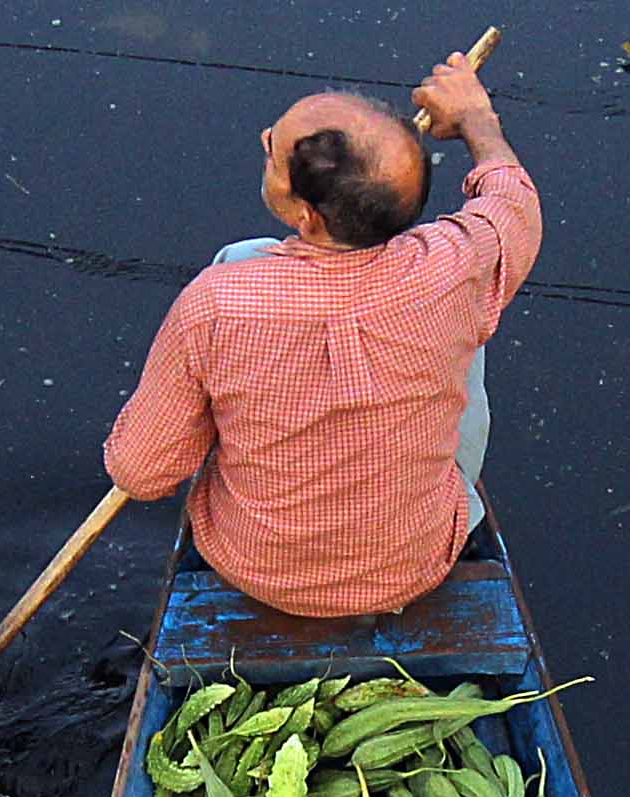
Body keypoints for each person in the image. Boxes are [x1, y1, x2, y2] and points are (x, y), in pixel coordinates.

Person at [104, 34, 533, 619]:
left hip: (253, 567)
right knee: (479, 305)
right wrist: (478, 120)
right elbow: (513, 201)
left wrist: (213, 404)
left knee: (239, 259)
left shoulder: (213, 304)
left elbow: (141, 472)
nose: (264, 143)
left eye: (272, 152)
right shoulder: (457, 263)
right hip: (416, 563)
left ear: (305, 216)